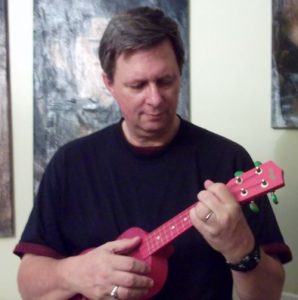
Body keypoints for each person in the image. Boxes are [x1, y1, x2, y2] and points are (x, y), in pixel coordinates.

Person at [14, 6, 292, 300]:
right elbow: (29, 286)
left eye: (166, 81)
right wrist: (76, 273)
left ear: (180, 73)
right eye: (137, 85)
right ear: (109, 84)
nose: (155, 99)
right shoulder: (69, 163)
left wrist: (240, 249)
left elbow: (268, 295)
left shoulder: (228, 160)